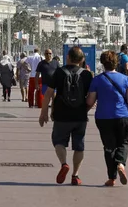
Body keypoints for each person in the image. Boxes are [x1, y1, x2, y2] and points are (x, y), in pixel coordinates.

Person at [39, 46, 93, 185]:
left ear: (67, 57)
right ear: (81, 60)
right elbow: (92, 98)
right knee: (79, 146)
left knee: (58, 142)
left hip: (61, 115)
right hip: (80, 116)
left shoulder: (59, 72)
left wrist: (43, 112)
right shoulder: (87, 75)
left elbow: (48, 94)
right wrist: (85, 109)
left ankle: (64, 164)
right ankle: (75, 176)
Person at [86, 51, 128, 187]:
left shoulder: (97, 80)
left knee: (109, 147)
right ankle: (121, 164)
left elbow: (90, 101)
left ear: (103, 63)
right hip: (122, 116)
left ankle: (111, 178)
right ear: (116, 63)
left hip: (103, 117)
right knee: (123, 143)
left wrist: (82, 113)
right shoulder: (126, 79)